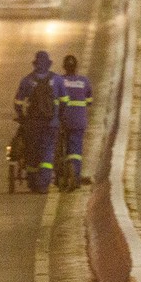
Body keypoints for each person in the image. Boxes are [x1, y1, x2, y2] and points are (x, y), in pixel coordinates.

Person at [13, 51, 64, 194]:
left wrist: (22, 117)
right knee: (47, 152)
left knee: (32, 152)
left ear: (35, 64)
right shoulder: (57, 80)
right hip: (51, 123)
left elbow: (17, 103)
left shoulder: (27, 80)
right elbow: (64, 101)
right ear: (49, 64)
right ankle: (43, 184)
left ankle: (33, 182)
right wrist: (59, 116)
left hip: (32, 124)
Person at [57, 54, 94, 191]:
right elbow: (89, 101)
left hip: (63, 119)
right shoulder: (84, 81)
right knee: (76, 150)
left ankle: (60, 175)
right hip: (79, 120)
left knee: (59, 146)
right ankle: (75, 178)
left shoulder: (59, 80)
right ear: (76, 67)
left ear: (64, 67)